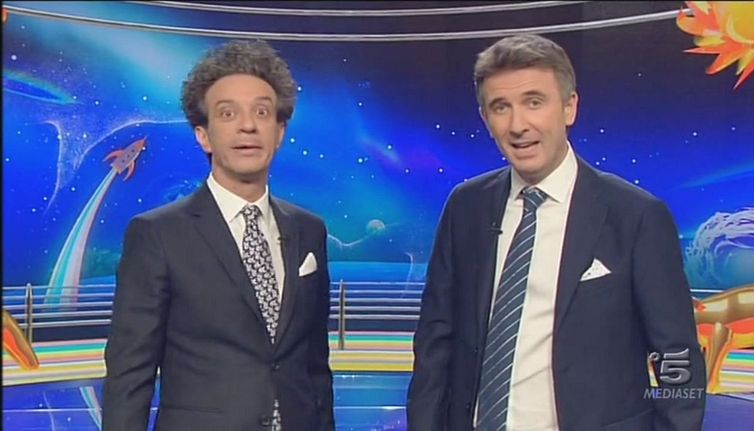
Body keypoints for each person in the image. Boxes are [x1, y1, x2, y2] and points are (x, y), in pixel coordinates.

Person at [407, 34, 706, 431]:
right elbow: (435, 342)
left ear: (569, 107)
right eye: (501, 107)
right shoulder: (466, 207)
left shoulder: (635, 216)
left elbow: (677, 356)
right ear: (485, 119)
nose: (518, 125)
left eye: (534, 102)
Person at [102, 39, 335, 431]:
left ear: (279, 131)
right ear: (203, 135)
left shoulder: (308, 230)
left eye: (262, 112)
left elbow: (315, 367)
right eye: (228, 113)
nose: (248, 125)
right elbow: (129, 375)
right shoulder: (156, 234)